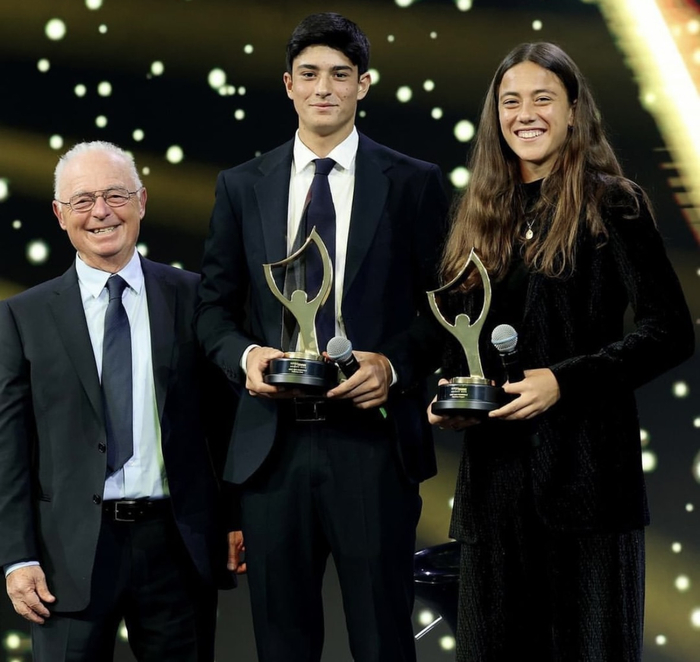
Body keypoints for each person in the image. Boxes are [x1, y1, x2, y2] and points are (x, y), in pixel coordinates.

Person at [195, 12, 449, 662]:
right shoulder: (241, 186)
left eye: (340, 74)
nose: (323, 88)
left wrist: (392, 366)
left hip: (373, 444)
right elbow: (212, 312)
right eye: (309, 74)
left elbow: (445, 311)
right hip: (271, 450)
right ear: (288, 85)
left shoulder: (414, 183)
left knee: (383, 640)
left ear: (364, 84)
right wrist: (247, 357)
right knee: (282, 645)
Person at [428, 42, 694, 661]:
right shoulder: (478, 214)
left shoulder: (613, 202)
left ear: (574, 111)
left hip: (589, 488)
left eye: (542, 99)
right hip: (494, 494)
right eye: (510, 101)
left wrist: (562, 382)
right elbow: (463, 339)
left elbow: (670, 331)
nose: (525, 114)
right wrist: (450, 394)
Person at [0, 141, 231, 662]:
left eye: (115, 195)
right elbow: (8, 450)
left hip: (177, 547)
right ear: (60, 215)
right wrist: (17, 557)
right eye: (82, 201)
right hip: (65, 558)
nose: (101, 211)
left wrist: (235, 518)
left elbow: (225, 423)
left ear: (142, 201)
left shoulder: (195, 298)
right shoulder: (22, 317)